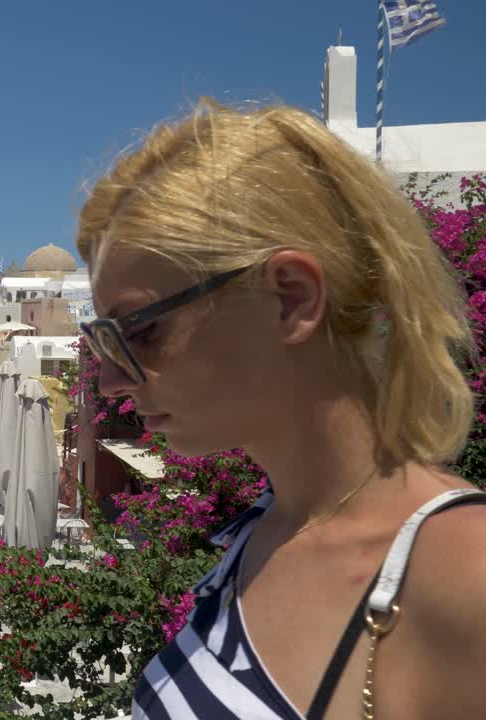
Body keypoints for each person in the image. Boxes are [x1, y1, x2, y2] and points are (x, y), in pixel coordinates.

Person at [76, 100, 486, 719]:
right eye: (102, 340)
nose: (108, 381)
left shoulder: (463, 583)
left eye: (141, 332)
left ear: (289, 299)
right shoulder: (267, 528)